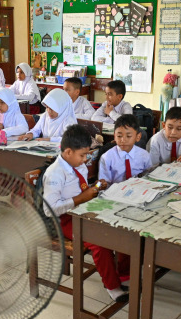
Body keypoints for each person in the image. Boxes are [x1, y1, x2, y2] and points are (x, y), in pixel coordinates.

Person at [43, 124, 131, 302]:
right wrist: (81, 198)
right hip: (63, 219)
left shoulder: (77, 165)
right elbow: (49, 209)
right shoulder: (55, 174)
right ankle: (112, 287)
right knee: (99, 241)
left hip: (82, 211)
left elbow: (82, 189)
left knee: (122, 226)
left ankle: (123, 275)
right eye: (82, 155)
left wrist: (95, 188)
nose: (85, 159)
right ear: (68, 152)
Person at [98, 114, 151, 184]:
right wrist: (100, 185)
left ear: (138, 137)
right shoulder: (107, 158)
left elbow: (149, 175)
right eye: (119, 136)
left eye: (128, 136)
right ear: (114, 136)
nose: (123, 140)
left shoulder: (144, 155)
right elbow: (103, 182)